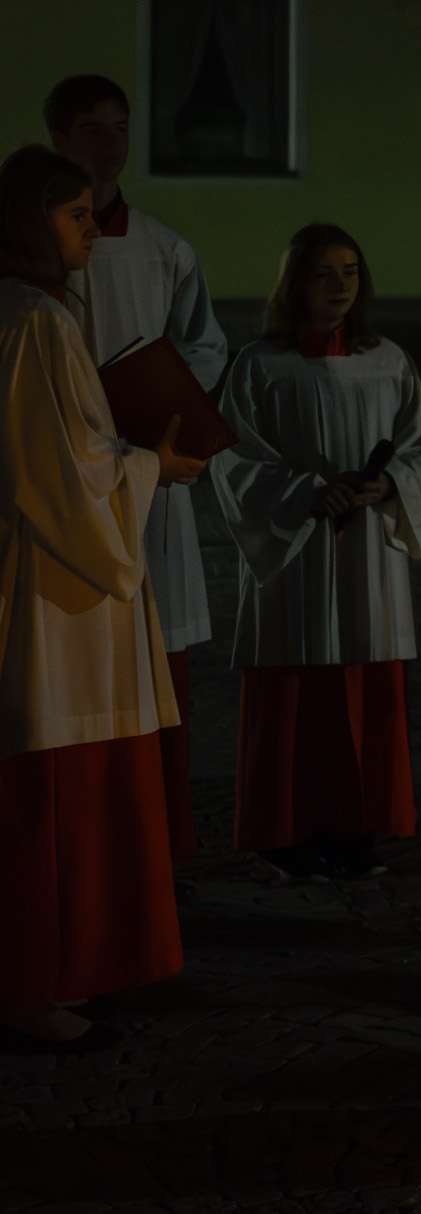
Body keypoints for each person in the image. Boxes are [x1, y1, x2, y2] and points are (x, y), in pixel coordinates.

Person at [0, 145, 203, 1050]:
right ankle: (36, 983)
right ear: (29, 221)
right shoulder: (35, 321)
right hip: (56, 592)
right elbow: (61, 474)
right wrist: (148, 467)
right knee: (49, 788)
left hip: (28, 573)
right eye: (75, 215)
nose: (92, 228)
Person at [211, 225, 421, 881]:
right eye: (324, 273)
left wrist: (391, 483)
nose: (340, 285)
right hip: (296, 554)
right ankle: (284, 831)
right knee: (297, 687)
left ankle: (354, 826)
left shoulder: (387, 360)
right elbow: (235, 461)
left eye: (350, 271)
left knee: (362, 687)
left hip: (369, 548)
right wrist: (307, 493)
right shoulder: (261, 365)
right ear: (294, 284)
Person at [48, 74, 227, 869]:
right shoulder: (36, 249)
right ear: (60, 138)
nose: (111, 143)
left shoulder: (164, 247)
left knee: (163, 673)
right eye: (93, 129)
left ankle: (164, 854)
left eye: (120, 128)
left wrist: (160, 402)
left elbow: (206, 343)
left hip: (150, 478)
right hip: (71, 481)